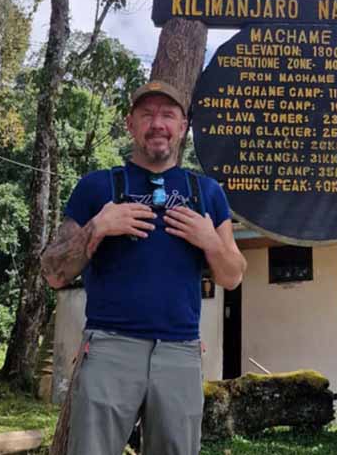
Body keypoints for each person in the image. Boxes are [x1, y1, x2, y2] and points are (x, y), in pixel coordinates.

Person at [41, 80, 246, 454]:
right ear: (130, 124)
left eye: (168, 115)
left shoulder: (207, 193)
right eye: (147, 114)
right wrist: (97, 227)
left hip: (180, 352)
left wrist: (210, 240)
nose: (157, 124)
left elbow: (232, 276)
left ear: (183, 126)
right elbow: (54, 272)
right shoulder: (96, 187)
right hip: (108, 349)